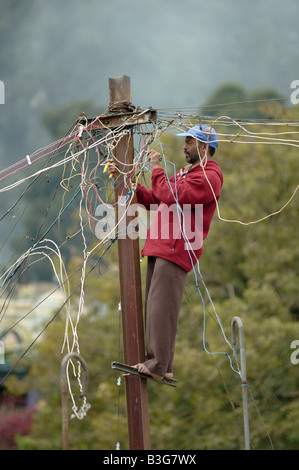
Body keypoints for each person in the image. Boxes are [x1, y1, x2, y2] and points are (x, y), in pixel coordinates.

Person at [133, 125, 223, 381]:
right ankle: (164, 365)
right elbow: (156, 198)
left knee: (161, 308)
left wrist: (156, 168)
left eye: (190, 142)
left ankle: (157, 365)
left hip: (176, 248)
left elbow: (169, 194)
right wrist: (132, 186)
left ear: (205, 148)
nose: (184, 146)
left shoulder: (209, 176)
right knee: (154, 306)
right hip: (161, 246)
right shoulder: (188, 173)